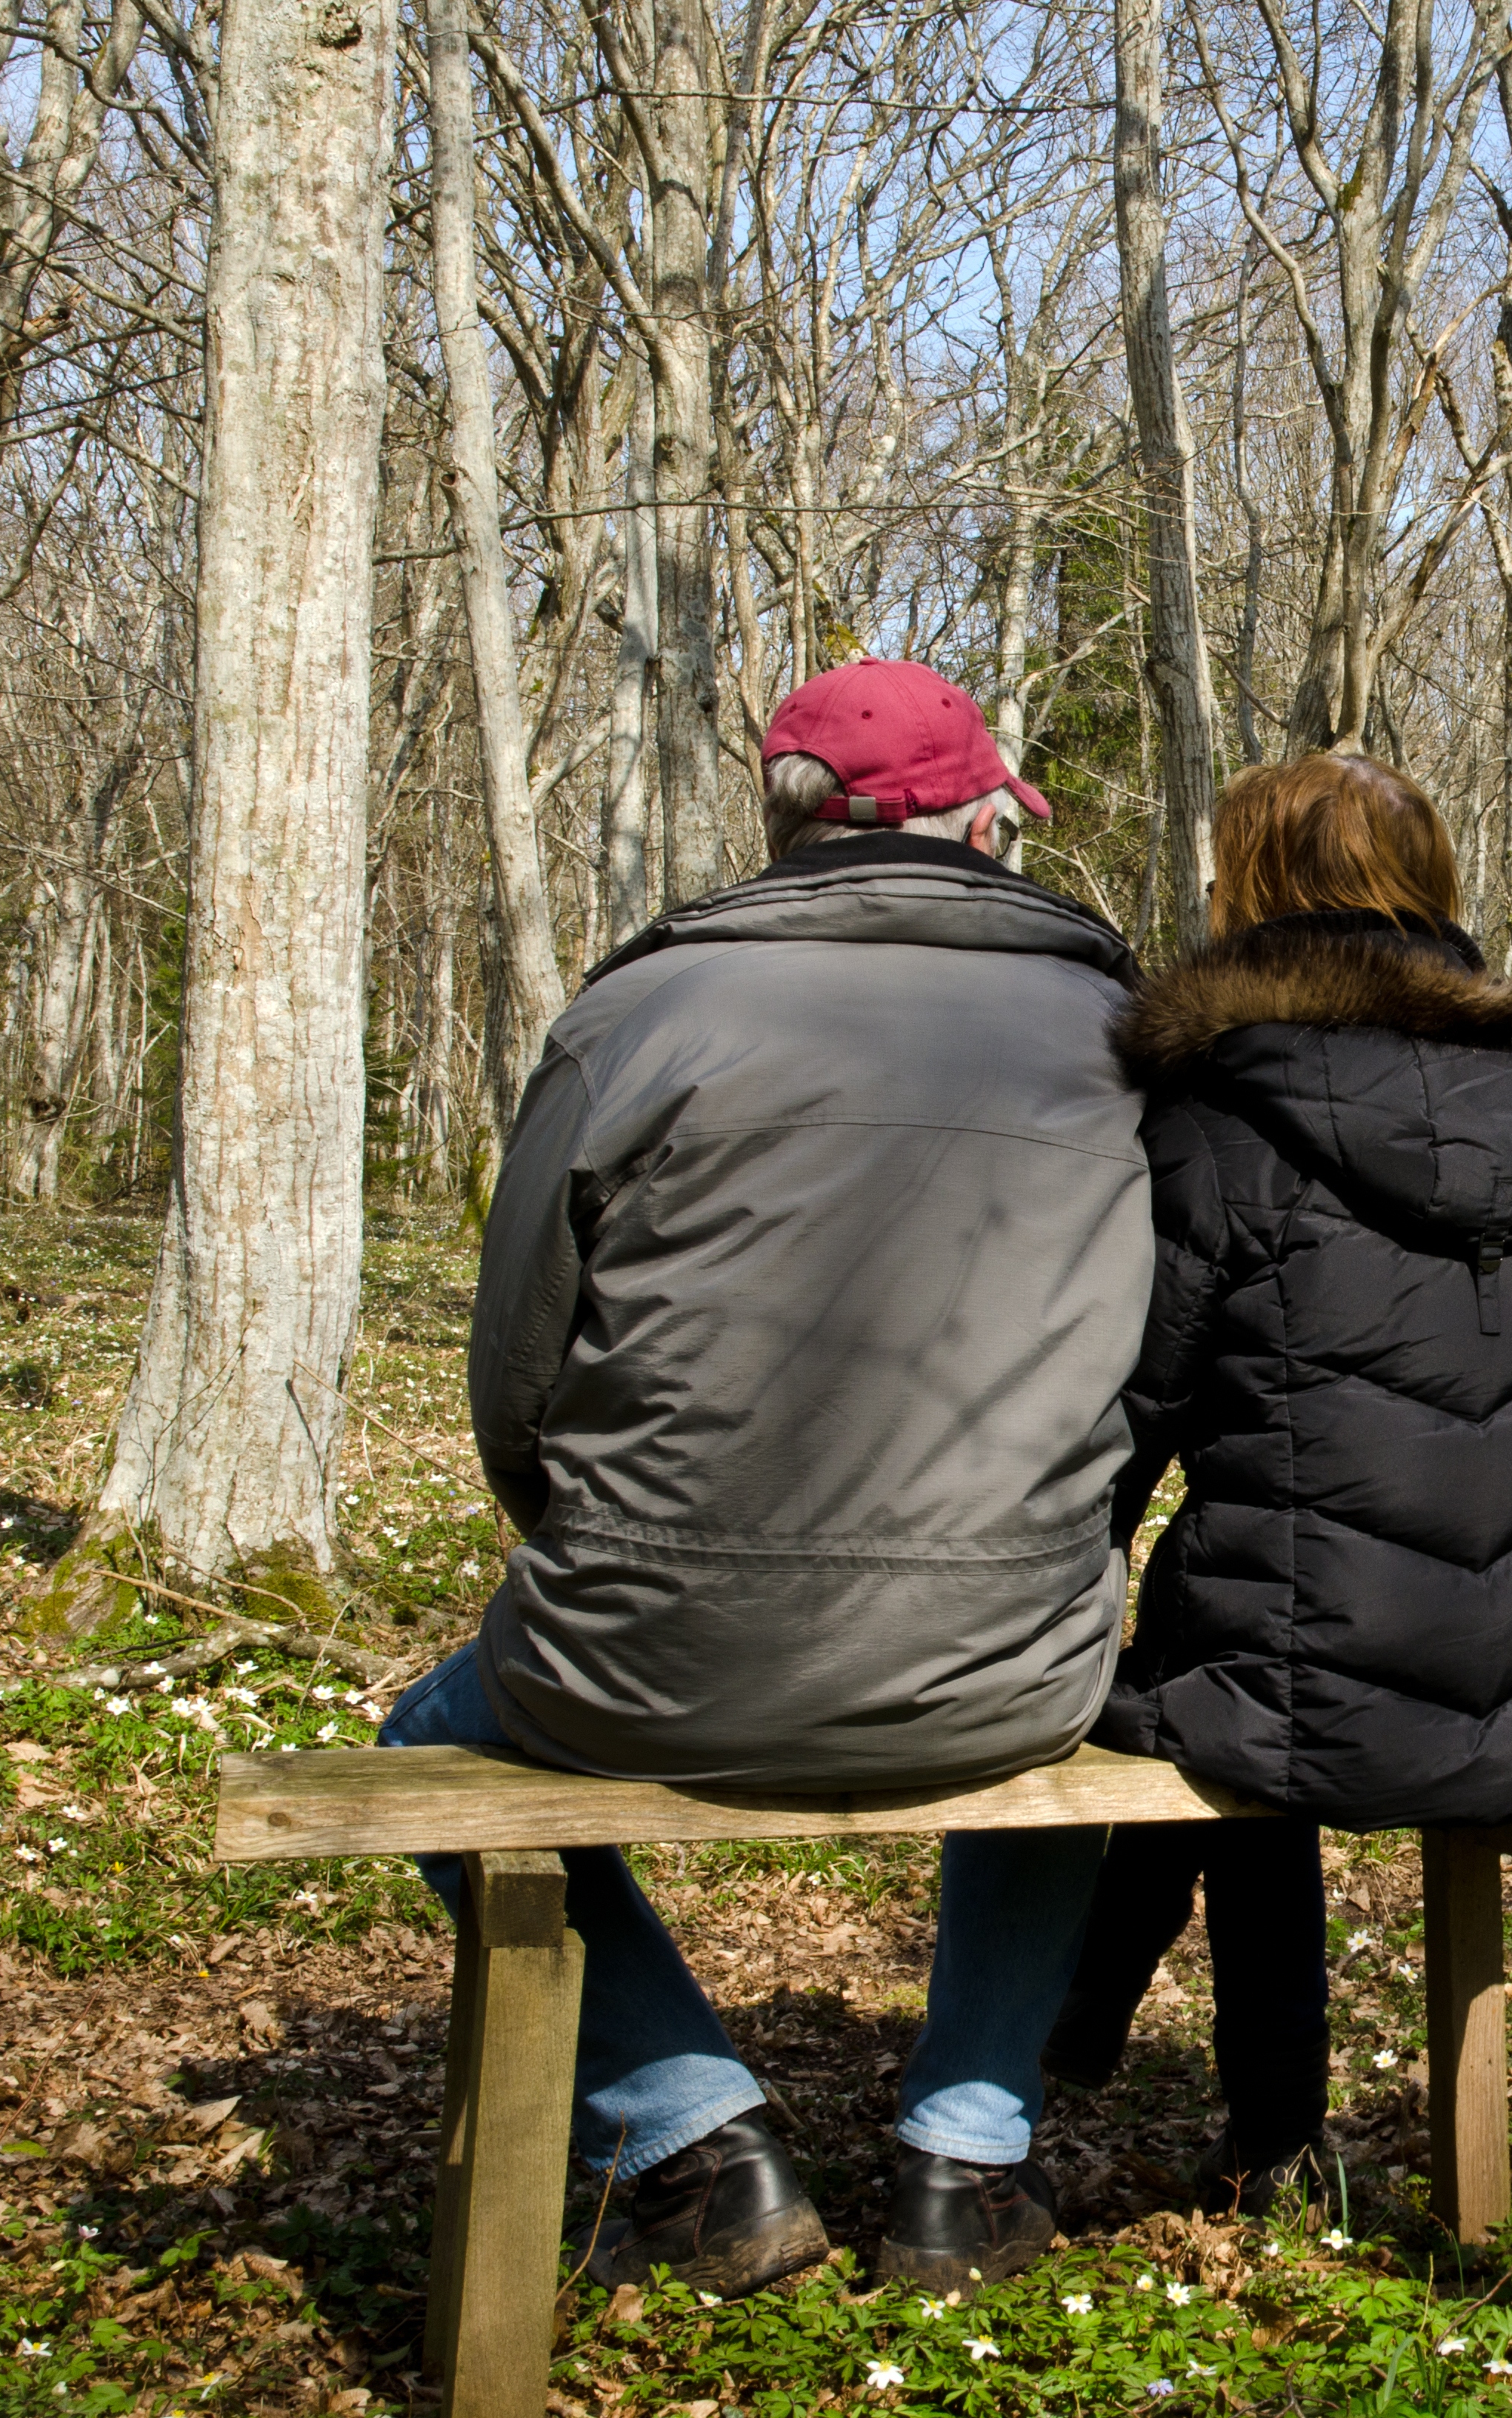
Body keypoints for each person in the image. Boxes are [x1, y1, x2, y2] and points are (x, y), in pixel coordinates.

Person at [382, 659, 1148, 2301]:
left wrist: (603, 1549)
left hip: (648, 1642)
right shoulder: (1117, 1028)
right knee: (1066, 1699)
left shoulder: (636, 1014)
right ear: (983, 823)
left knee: (425, 1742)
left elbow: (519, 1367)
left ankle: (694, 2138)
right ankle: (966, 2158)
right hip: (1005, 1650)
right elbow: (1160, 1356)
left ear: (784, 819)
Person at [1047, 751, 1512, 2213]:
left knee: (1231, 1673)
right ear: (1433, 886)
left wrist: (1056, 1560)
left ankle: (1222, 2111)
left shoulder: (1218, 1102)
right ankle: (1178, 2096)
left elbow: (1129, 1409)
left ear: (1250, 887)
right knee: (1253, 1658)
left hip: (1303, 1688)